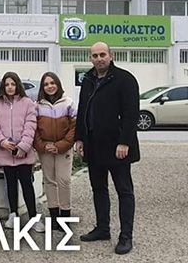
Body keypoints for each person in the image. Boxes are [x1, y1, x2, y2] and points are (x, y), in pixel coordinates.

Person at [75, 42, 140, 255]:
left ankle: (126, 236)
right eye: (95, 55)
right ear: (90, 58)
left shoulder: (125, 79)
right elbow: (83, 110)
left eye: (102, 54)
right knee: (99, 189)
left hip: (117, 146)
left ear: (111, 56)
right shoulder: (88, 79)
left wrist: (125, 142)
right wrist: (80, 138)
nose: (99, 58)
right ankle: (102, 229)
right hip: (94, 146)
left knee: (124, 191)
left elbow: (131, 114)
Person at [0, 72, 44, 233]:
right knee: (11, 184)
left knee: (27, 184)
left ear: (18, 85)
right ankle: (13, 214)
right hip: (6, 151)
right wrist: (2, 141)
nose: (10, 87)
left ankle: (33, 217)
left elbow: (31, 125)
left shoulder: (27, 103)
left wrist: (23, 146)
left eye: (13, 84)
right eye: (7, 84)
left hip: (23, 153)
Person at [34, 72, 76, 231]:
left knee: (64, 180)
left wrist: (60, 145)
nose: (49, 86)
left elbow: (74, 127)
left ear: (57, 84)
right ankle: (53, 216)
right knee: (49, 181)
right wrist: (42, 146)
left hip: (63, 148)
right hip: (45, 149)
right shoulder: (37, 105)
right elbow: (33, 128)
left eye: (52, 83)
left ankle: (65, 215)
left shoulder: (68, 103)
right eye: (46, 84)